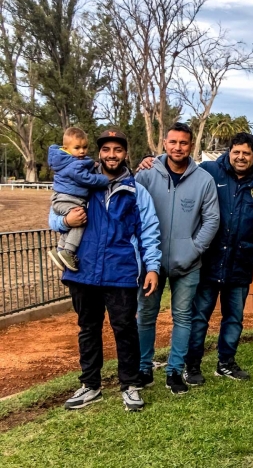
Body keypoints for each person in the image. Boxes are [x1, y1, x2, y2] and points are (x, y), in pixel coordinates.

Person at [139, 132, 253, 384]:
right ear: (229, 152)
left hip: (240, 262)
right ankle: (191, 366)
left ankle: (226, 363)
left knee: (234, 317)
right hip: (208, 261)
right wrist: (151, 161)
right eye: (236, 152)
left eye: (246, 153)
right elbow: (179, 167)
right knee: (198, 316)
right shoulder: (209, 172)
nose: (240, 157)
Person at [50, 129, 161, 412]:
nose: (112, 155)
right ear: (99, 152)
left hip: (121, 271)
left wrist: (152, 268)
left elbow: (149, 231)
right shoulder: (83, 181)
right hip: (83, 270)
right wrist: (66, 220)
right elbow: (54, 216)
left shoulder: (137, 190)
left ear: (125, 153)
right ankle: (91, 385)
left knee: (124, 329)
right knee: (88, 329)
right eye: (107, 149)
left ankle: (130, 385)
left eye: (118, 150)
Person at [136, 122, 220, 395]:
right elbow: (132, 213)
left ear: (191, 145)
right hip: (151, 263)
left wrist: (193, 249)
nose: (178, 147)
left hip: (188, 264)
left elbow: (212, 219)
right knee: (146, 316)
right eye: (173, 142)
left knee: (183, 317)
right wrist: (142, 253)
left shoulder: (203, 180)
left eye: (184, 143)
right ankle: (143, 368)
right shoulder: (147, 174)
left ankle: (174, 371)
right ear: (164, 143)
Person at [47, 127, 110, 271]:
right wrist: (103, 179)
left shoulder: (67, 160)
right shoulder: (74, 164)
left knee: (74, 223)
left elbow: (84, 165)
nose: (82, 151)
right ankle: (68, 251)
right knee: (80, 220)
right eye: (77, 148)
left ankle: (59, 250)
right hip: (67, 199)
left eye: (85, 147)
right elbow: (86, 178)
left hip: (62, 199)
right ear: (66, 148)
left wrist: (90, 164)